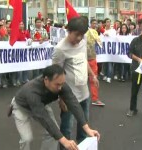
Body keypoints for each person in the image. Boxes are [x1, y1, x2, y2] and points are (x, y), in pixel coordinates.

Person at [10, 64, 100, 150]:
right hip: (21, 108)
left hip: (41, 104)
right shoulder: (31, 91)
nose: (60, 88)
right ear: (46, 80)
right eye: (57, 84)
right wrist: (65, 141)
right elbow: (44, 118)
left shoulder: (60, 84)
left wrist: (87, 129)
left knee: (53, 135)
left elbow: (74, 103)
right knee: (27, 139)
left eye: (62, 84)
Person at [52, 16, 99, 149]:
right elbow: (55, 75)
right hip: (69, 97)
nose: (79, 38)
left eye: (82, 35)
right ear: (68, 31)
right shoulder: (60, 49)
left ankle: (82, 146)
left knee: (84, 127)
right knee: (66, 129)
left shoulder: (83, 42)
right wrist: (61, 98)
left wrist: (92, 75)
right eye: (76, 35)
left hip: (84, 93)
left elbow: (84, 60)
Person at [86, 19, 105, 106]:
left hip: (92, 58)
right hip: (83, 59)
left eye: (96, 23)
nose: (95, 25)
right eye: (93, 23)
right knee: (80, 80)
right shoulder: (83, 32)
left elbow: (99, 43)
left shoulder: (95, 32)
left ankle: (95, 99)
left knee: (94, 79)